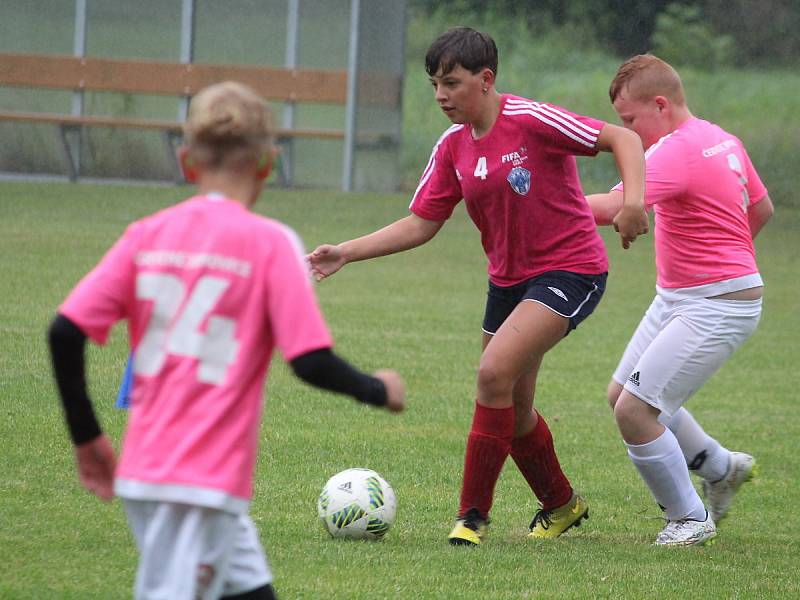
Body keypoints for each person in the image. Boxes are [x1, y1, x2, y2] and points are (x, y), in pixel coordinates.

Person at [48, 81, 405, 599]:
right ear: (267, 163)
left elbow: (64, 331)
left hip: (156, 469)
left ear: (187, 161)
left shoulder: (146, 234)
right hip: (200, 482)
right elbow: (309, 361)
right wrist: (379, 388)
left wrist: (87, 440)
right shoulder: (272, 244)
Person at [308, 27, 648, 546]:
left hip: (571, 269)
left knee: (492, 374)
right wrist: (347, 252)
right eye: (434, 85)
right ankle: (561, 504)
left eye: (452, 82)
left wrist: (630, 204)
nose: (441, 95)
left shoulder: (532, 121)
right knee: (512, 412)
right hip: (508, 282)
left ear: (485, 80)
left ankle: (472, 517)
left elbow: (623, 138)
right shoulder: (452, 147)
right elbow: (422, 222)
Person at [587, 54, 774, 546]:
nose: (627, 134)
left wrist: (539, 206)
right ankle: (720, 467)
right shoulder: (719, 137)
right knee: (622, 395)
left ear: (661, 105)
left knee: (634, 411)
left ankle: (689, 519)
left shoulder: (673, 151)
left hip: (714, 305)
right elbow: (761, 207)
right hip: (683, 298)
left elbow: (609, 207)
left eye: (630, 121)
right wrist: (728, 255)